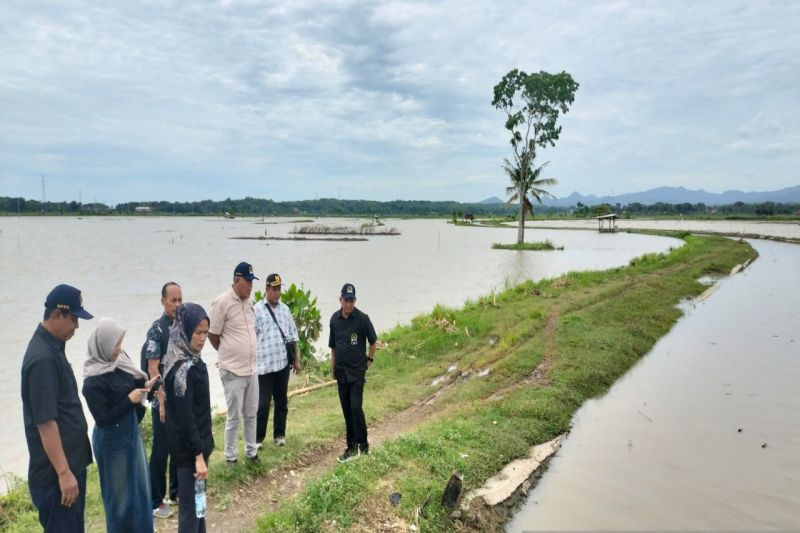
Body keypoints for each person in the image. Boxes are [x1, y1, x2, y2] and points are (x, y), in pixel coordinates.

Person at [20, 284, 94, 532]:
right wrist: (63, 473)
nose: (77, 326)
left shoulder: (53, 348)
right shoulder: (42, 358)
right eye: (73, 319)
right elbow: (45, 423)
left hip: (68, 469)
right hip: (55, 478)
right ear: (56, 314)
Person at [82, 317, 155, 533]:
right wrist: (129, 401)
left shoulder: (120, 361)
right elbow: (102, 418)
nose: (119, 349)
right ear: (103, 345)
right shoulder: (93, 381)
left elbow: (134, 383)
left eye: (120, 343)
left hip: (130, 432)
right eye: (115, 345)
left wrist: (146, 385)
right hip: (112, 441)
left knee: (141, 490)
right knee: (120, 501)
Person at [163, 303, 214, 533]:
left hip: (199, 446)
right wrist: (198, 456)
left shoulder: (192, 360)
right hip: (190, 454)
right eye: (197, 333)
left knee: (199, 506)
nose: (202, 338)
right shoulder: (182, 371)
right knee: (190, 510)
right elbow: (186, 419)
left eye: (206, 332)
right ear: (185, 332)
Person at [208, 262, 260, 464]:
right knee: (234, 416)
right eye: (248, 281)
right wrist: (227, 352)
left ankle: (251, 452)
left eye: (252, 281)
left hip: (251, 368)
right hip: (232, 370)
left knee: (251, 414)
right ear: (237, 280)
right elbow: (213, 334)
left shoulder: (249, 302)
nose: (251, 285)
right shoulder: (222, 302)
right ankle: (231, 458)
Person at [141, 281, 182, 518]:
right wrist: (162, 399)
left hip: (180, 398)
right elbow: (152, 369)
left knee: (179, 445)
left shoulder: (183, 325)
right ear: (163, 301)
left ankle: (176, 492)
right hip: (162, 401)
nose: (177, 304)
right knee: (161, 450)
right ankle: (156, 501)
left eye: (179, 300)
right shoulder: (156, 330)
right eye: (172, 300)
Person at [329, 283, 377, 463]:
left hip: (357, 372)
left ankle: (364, 446)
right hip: (341, 373)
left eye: (351, 300)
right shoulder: (334, 320)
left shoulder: (362, 319)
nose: (349, 304)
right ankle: (351, 448)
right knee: (347, 411)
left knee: (356, 407)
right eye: (346, 300)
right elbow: (333, 347)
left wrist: (369, 360)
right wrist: (332, 367)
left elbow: (373, 342)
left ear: (355, 300)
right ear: (340, 300)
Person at [253, 273, 301, 447]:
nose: (277, 292)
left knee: (281, 401)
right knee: (262, 404)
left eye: (279, 289)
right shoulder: (257, 310)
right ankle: (258, 439)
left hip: (282, 364)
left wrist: (296, 360)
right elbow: (251, 339)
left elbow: (293, 336)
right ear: (266, 289)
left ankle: (279, 435)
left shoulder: (285, 309)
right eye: (274, 289)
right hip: (264, 367)